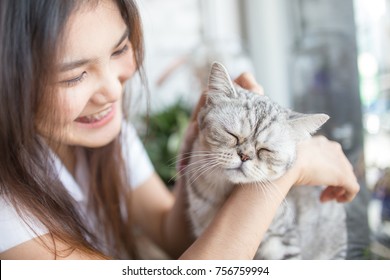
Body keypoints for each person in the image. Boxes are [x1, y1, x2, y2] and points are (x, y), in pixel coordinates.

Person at [0, 0, 359, 260]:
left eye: (121, 48)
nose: (113, 91)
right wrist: (288, 167)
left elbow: (172, 236)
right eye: (75, 75)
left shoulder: (107, 132)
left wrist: (198, 136)